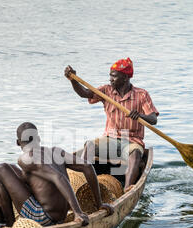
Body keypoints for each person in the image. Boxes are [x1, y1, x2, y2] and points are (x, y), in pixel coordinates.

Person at [0, 122, 113, 228]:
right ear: (38, 139)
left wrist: (78, 212)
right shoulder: (56, 151)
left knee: (0, 169)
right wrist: (99, 204)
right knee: (12, 169)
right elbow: (87, 166)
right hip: (61, 214)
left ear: (18, 143)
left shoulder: (25, 158)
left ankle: (10, 224)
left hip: (43, 217)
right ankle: (10, 221)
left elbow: (58, 177)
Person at [64, 58, 159, 191]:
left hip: (132, 141)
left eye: (114, 76)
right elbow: (84, 93)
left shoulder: (141, 95)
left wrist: (140, 115)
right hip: (110, 139)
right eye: (110, 75)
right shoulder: (106, 90)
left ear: (125, 77)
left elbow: (153, 119)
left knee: (136, 154)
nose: (110, 79)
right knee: (90, 145)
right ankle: (79, 183)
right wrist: (73, 80)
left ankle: (127, 188)